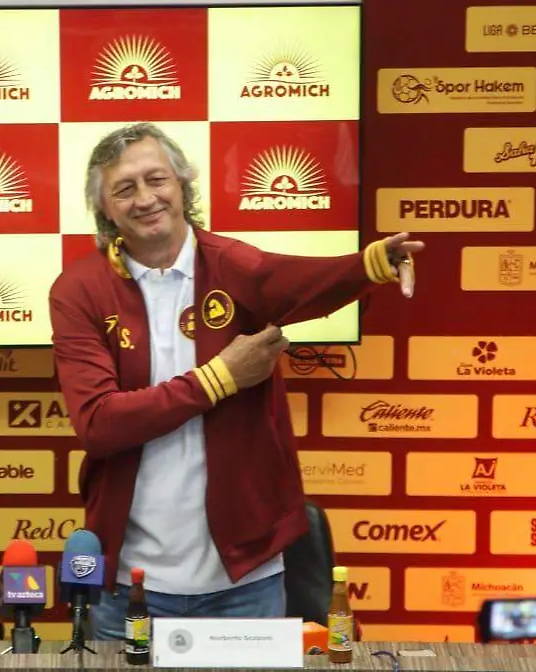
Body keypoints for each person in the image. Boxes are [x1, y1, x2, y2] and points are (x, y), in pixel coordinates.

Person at [48, 122, 424, 639]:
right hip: (128, 582)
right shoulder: (78, 290)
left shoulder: (232, 266)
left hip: (246, 579)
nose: (146, 198)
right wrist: (220, 378)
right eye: (125, 189)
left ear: (182, 185)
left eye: (157, 179)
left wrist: (375, 263)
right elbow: (99, 424)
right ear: (104, 209)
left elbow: (304, 282)